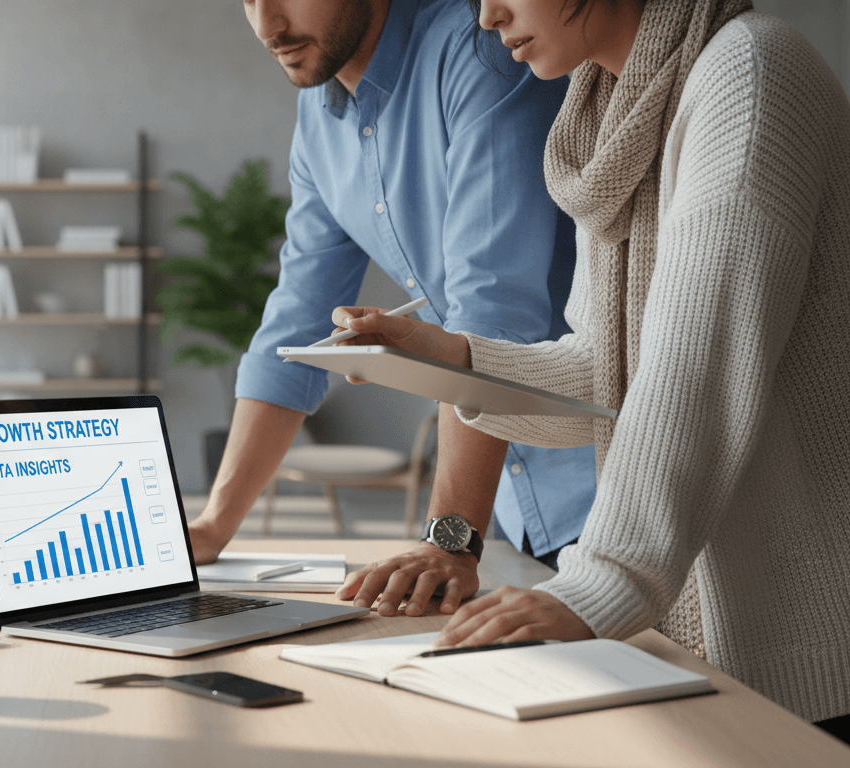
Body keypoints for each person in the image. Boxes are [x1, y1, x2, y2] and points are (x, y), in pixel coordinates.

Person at [332, 0, 850, 734]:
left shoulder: (750, 75)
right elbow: (609, 373)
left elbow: (692, 373)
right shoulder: (619, 110)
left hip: (813, 657)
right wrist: (449, 358)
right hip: (702, 651)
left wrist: (603, 581)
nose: (488, 15)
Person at [188, 0, 599, 618]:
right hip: (515, 513)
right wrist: (213, 526)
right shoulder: (320, 114)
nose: (268, 26)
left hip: (608, 487)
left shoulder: (484, 49)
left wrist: (449, 540)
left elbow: (491, 313)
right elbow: (297, 318)